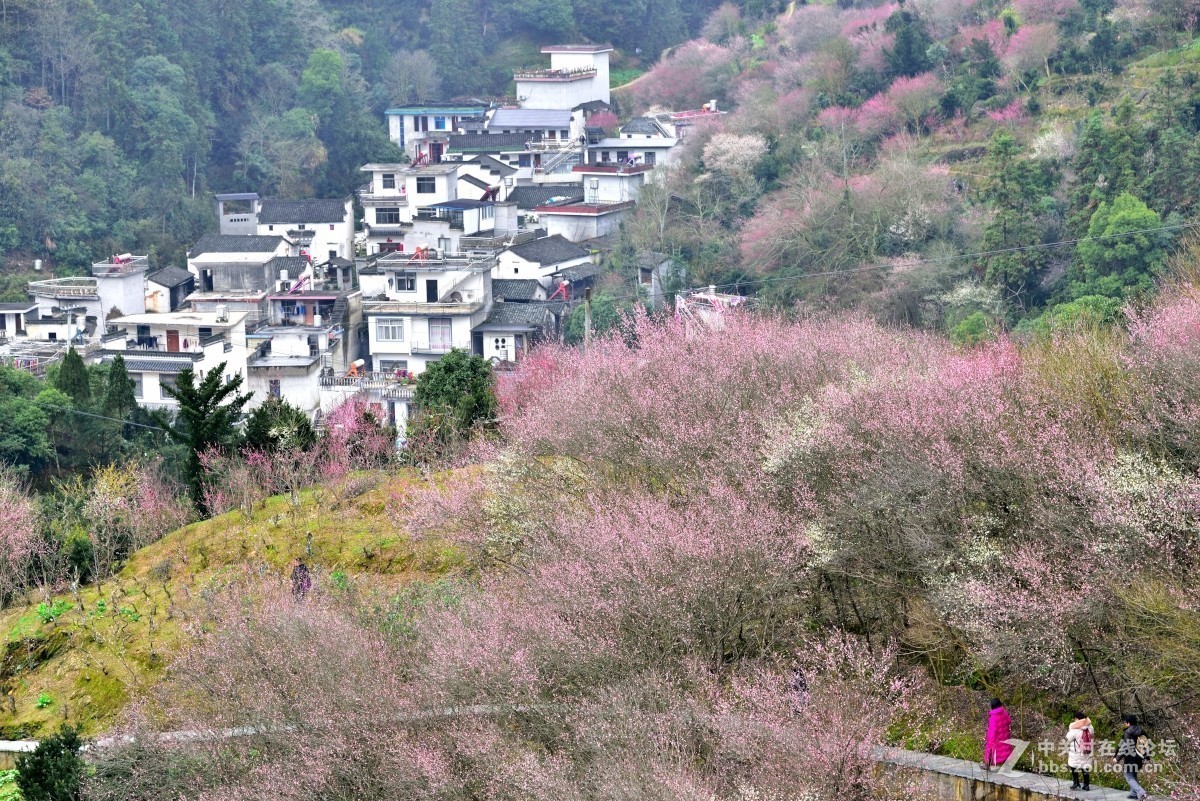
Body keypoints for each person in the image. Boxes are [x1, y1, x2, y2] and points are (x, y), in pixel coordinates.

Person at [1115, 714, 1148, 800]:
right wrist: (1147, 756)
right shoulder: (1142, 731)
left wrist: (1117, 758)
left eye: (1126, 722)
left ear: (1128, 723)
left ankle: (1142, 792)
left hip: (1131, 757)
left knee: (1128, 776)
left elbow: (1126, 746)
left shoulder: (1128, 732)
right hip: (1140, 757)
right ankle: (1133, 794)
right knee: (1134, 775)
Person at [1065, 711, 1094, 791]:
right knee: (1085, 768)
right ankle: (1086, 785)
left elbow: (1068, 738)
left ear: (1077, 719)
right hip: (1087, 751)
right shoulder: (1090, 727)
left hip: (1076, 752)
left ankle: (1076, 783)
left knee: (1073, 767)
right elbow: (1092, 734)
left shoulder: (1074, 729)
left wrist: (1070, 729)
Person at [983, 698, 1014, 770]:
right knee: (1005, 751)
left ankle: (988, 765)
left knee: (991, 751)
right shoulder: (1004, 712)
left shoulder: (993, 717)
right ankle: (1007, 766)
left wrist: (990, 740)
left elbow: (992, 730)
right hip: (1005, 735)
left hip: (996, 738)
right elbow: (1008, 721)